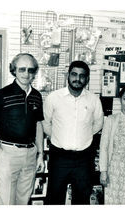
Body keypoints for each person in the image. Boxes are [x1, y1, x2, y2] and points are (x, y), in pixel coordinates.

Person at [0, 53, 45, 205]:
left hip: (30, 154)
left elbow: (38, 125)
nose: (26, 73)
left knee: (23, 200)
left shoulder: (37, 96)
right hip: (9, 154)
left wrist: (40, 154)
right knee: (6, 202)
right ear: (14, 70)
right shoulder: (1, 95)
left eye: (30, 70)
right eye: (22, 69)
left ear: (34, 73)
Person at [42, 60, 104, 204]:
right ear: (68, 76)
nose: (77, 78)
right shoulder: (53, 98)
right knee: (54, 198)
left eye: (82, 76)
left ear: (87, 79)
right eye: (74, 74)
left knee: (82, 198)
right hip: (59, 157)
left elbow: (98, 124)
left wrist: (84, 136)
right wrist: (58, 138)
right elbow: (45, 123)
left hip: (84, 158)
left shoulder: (94, 100)